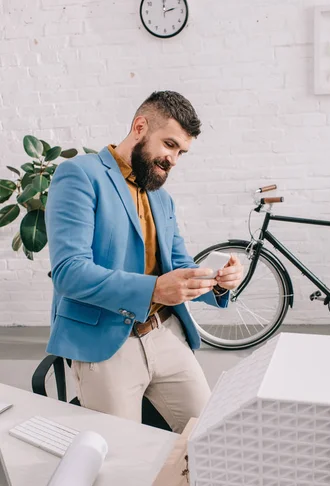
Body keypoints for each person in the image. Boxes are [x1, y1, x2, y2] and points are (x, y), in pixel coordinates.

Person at [45, 90, 243, 433]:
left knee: (212, 437)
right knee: (120, 458)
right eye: (169, 145)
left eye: (181, 152)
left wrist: (218, 281)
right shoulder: (80, 175)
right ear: (140, 127)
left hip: (167, 335)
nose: (174, 160)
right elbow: (69, 272)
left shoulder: (161, 198)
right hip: (105, 345)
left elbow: (179, 264)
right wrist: (154, 288)